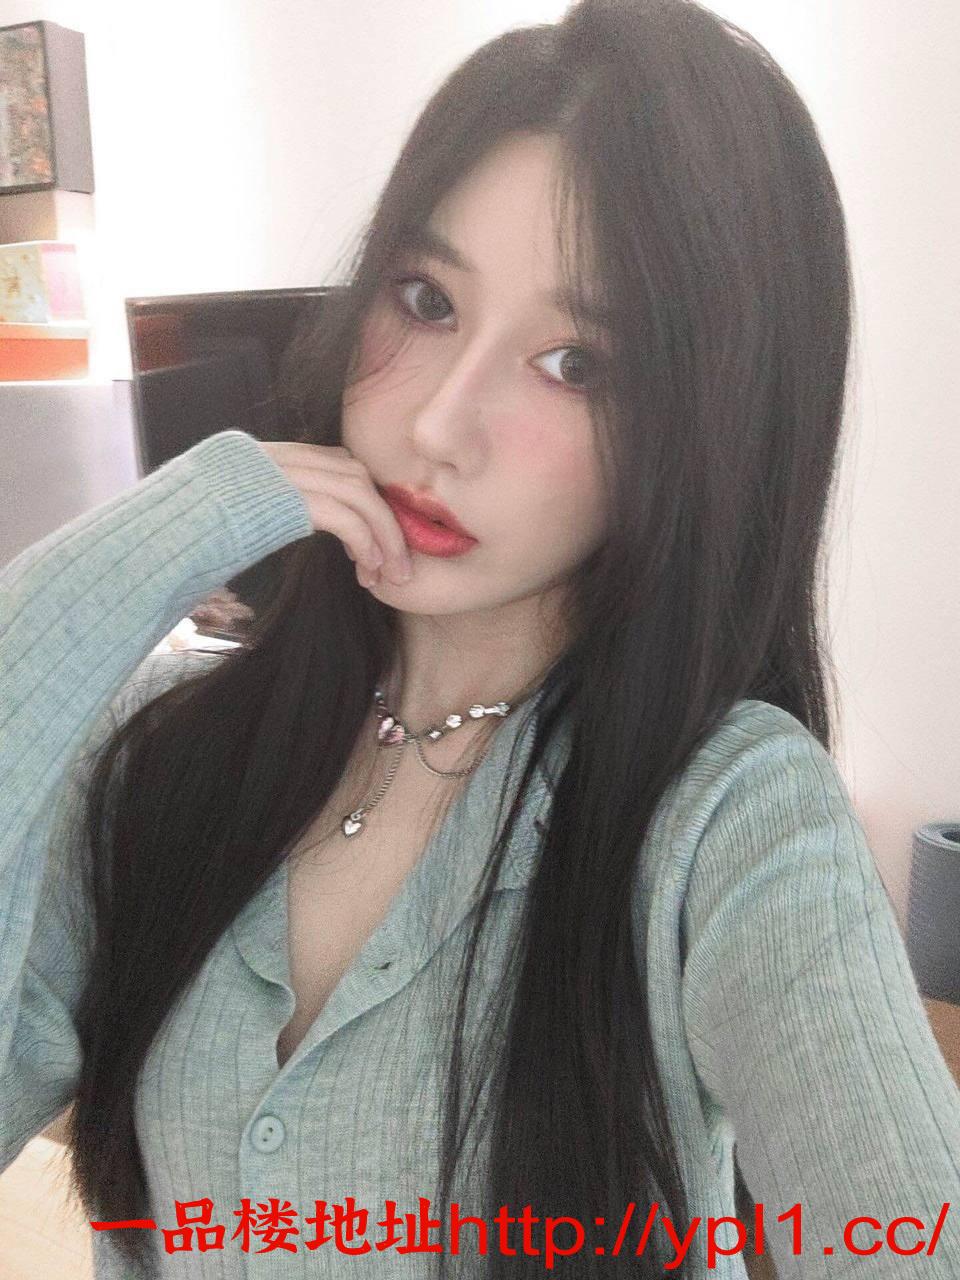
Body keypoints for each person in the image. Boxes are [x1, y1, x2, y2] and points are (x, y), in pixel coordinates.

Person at [1, 1, 958, 1277]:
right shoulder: (162, 749)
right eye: (426, 298)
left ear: (708, 427)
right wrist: (102, 572)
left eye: (578, 363)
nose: (441, 424)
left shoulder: (726, 814)